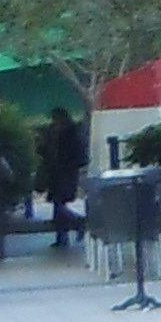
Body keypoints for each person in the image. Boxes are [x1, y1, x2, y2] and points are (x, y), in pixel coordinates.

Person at [36, 105, 89, 253]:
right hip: (56, 172)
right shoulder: (55, 131)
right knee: (58, 205)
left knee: (59, 204)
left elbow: (75, 153)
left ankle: (77, 224)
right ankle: (62, 235)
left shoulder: (69, 132)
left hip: (65, 172)